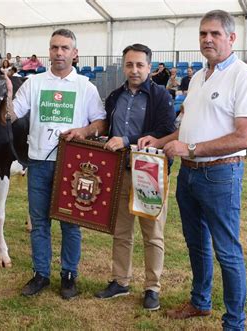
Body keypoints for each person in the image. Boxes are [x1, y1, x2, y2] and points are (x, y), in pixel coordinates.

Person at [138, 10, 247, 330]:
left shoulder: (244, 76)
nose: (207, 39)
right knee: (196, 243)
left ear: (232, 38)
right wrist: (161, 139)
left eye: (215, 34)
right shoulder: (197, 77)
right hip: (189, 174)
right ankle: (200, 302)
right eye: (203, 33)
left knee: (227, 252)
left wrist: (190, 149)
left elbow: (244, 137)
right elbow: (189, 129)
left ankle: (234, 323)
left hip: (220, 175)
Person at [9, 28, 106, 300]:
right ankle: (41, 274)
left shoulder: (86, 87)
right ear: (48, 52)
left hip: (71, 166)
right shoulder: (34, 83)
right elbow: (11, 114)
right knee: (39, 223)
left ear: (75, 54)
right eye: (54, 48)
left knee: (70, 223)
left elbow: (100, 122)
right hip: (38, 162)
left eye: (65, 48)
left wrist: (84, 132)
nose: (59, 53)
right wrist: (5, 95)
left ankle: (69, 275)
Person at [93, 44, 175, 311]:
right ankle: (120, 281)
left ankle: (152, 287)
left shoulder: (161, 96)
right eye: (129, 65)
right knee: (121, 231)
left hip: (150, 172)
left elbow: (166, 130)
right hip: (121, 172)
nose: (134, 70)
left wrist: (126, 140)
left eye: (140, 65)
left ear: (150, 68)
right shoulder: (115, 96)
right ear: (123, 66)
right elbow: (107, 126)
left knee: (152, 233)